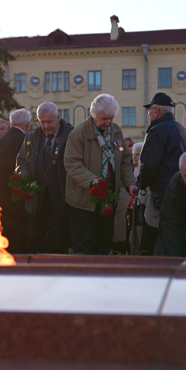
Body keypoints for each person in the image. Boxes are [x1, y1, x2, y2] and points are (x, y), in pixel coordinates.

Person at [65, 94, 136, 255]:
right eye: (104, 118)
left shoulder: (115, 131)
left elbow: (124, 160)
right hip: (83, 200)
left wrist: (130, 183)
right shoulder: (79, 133)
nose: (108, 122)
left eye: (111, 118)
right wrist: (93, 181)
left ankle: (102, 275)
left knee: (104, 244)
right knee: (85, 246)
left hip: (109, 198)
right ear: (94, 114)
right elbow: (71, 163)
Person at [138, 92, 186, 255]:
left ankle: (151, 271)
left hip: (163, 194)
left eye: (149, 111)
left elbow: (149, 165)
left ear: (156, 111)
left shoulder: (157, 130)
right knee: (177, 235)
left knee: (155, 237)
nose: (148, 115)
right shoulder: (183, 131)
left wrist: (141, 184)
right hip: (183, 191)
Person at [16, 102, 73, 254]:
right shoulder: (32, 137)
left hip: (62, 197)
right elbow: (21, 162)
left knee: (60, 242)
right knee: (33, 241)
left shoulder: (71, 135)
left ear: (58, 118)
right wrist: (25, 177)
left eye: (49, 121)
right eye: (42, 122)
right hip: (37, 198)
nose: (46, 126)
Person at [0, 108, 30, 253]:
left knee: (6, 236)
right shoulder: (24, 139)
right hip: (18, 195)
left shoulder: (2, 139)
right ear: (28, 124)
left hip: (1, 193)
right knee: (19, 238)